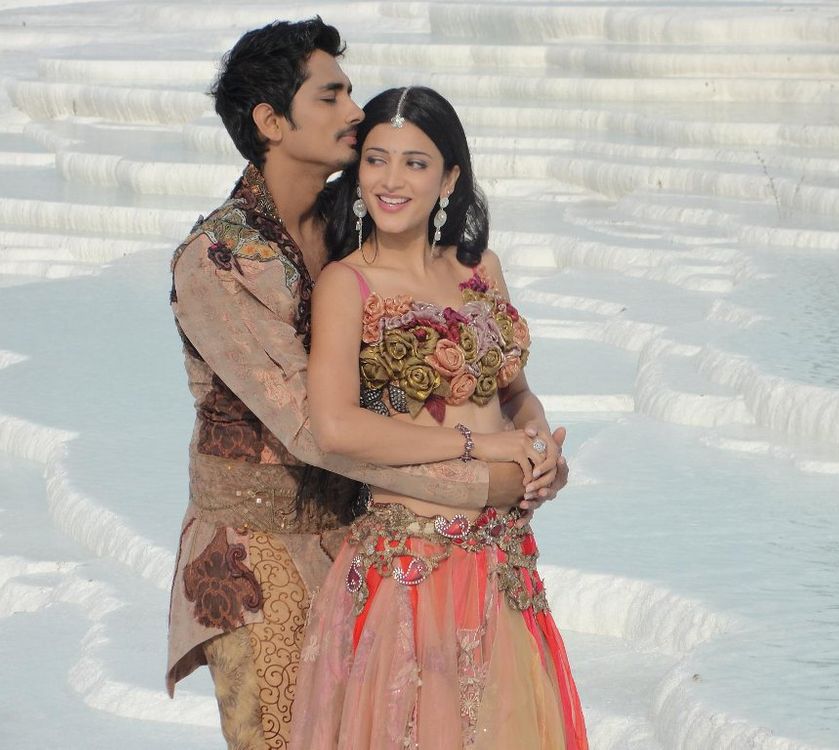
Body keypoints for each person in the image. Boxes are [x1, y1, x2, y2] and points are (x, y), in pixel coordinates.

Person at [167, 19, 568, 750]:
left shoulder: (343, 227)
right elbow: (317, 428)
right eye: (331, 96)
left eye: (352, 91)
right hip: (258, 556)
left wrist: (531, 445)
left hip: (366, 535)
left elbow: (461, 379)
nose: (354, 112)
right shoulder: (219, 260)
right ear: (271, 122)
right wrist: (493, 479)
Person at [289, 86, 588, 749]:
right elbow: (336, 427)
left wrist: (541, 448)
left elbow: (516, 394)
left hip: (500, 565)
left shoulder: (481, 270)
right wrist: (480, 444)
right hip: (408, 567)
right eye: (376, 160)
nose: (390, 180)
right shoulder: (347, 284)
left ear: (449, 178)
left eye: (415, 163)